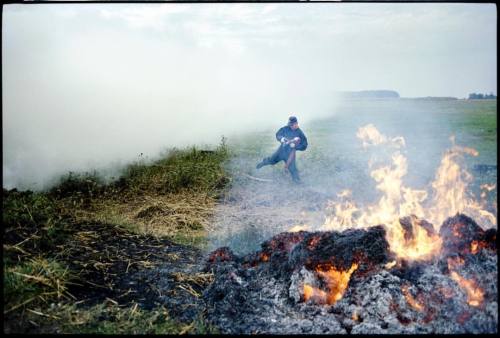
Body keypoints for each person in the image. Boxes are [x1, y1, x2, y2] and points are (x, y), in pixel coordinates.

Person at [256, 116, 308, 182]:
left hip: (290, 154)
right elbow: (278, 134)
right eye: (290, 125)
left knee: (293, 168)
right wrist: (282, 139)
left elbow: (304, 145)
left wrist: (295, 146)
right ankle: (262, 163)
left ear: (296, 123)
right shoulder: (285, 128)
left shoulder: (300, 133)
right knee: (271, 160)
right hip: (281, 151)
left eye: (293, 125)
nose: (291, 126)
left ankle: (297, 181)